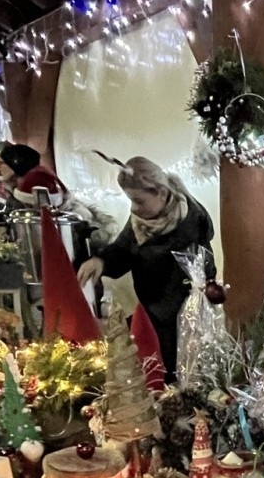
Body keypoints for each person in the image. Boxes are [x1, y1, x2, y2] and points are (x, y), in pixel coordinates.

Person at [75, 155, 214, 375]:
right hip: (151, 316)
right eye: (130, 201)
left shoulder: (191, 226)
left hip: (183, 325)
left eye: (139, 201)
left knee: (177, 376)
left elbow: (203, 278)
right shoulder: (142, 224)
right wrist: (101, 261)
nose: (134, 209)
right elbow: (123, 250)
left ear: (160, 192)